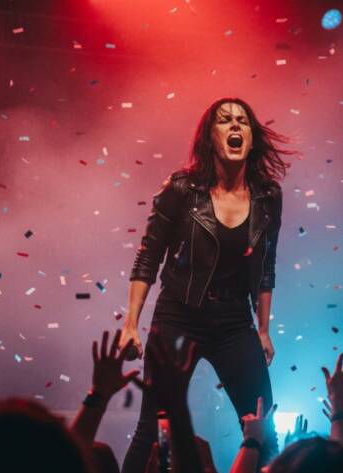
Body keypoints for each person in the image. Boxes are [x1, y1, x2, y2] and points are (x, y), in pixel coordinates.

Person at [119, 97, 292, 472]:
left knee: (262, 429)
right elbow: (148, 257)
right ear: (210, 136)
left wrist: (263, 329)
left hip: (233, 322)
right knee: (152, 427)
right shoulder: (182, 189)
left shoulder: (268, 197)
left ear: (251, 136)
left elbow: (266, 268)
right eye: (225, 121)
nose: (234, 127)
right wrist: (131, 323)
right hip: (179, 316)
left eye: (242, 121)